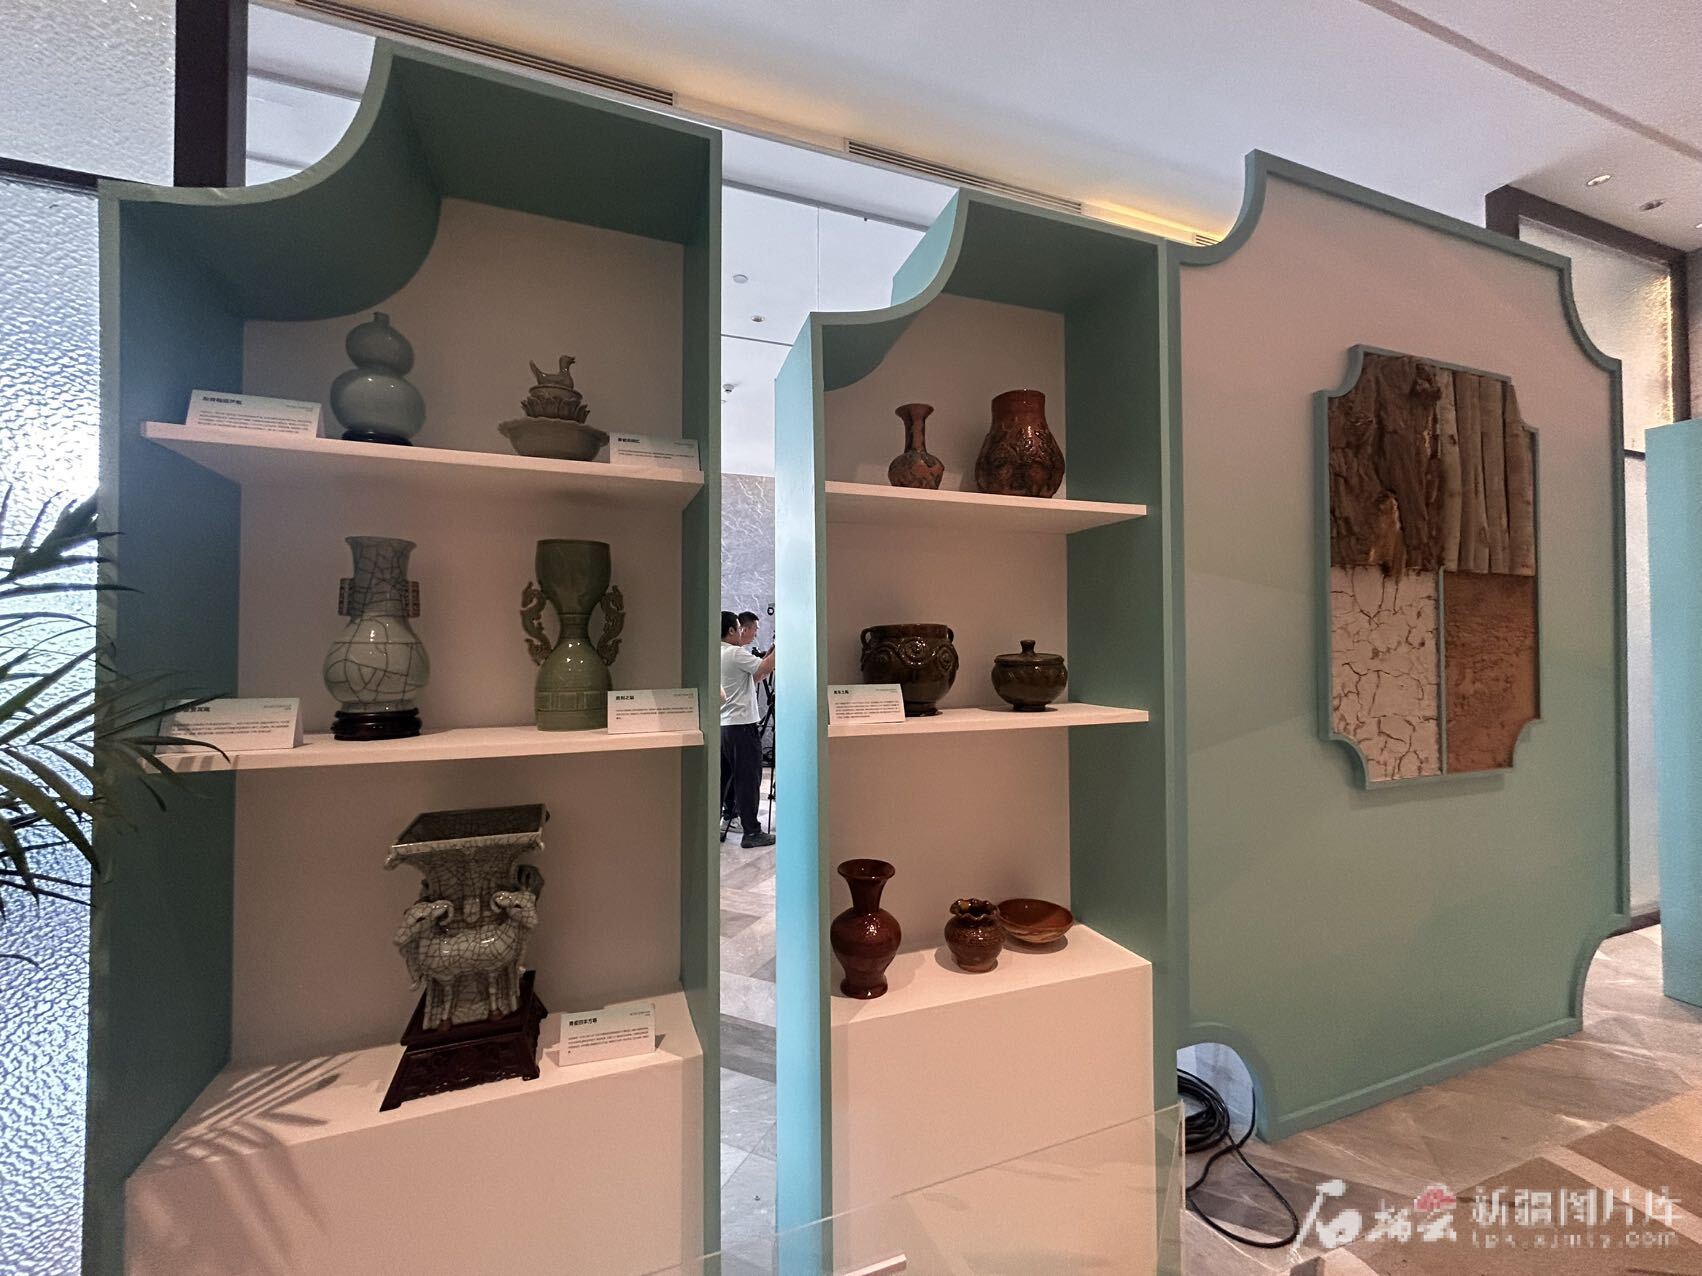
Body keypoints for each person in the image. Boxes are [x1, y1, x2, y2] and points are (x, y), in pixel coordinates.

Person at [721, 610, 776, 848]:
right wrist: (783, 643)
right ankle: (752, 832)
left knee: (726, 779)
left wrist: (769, 655)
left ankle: (725, 820)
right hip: (742, 726)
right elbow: (766, 667)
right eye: (739, 627)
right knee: (748, 779)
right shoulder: (735, 653)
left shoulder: (716, 653)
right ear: (732, 630)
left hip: (724, 726)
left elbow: (752, 677)